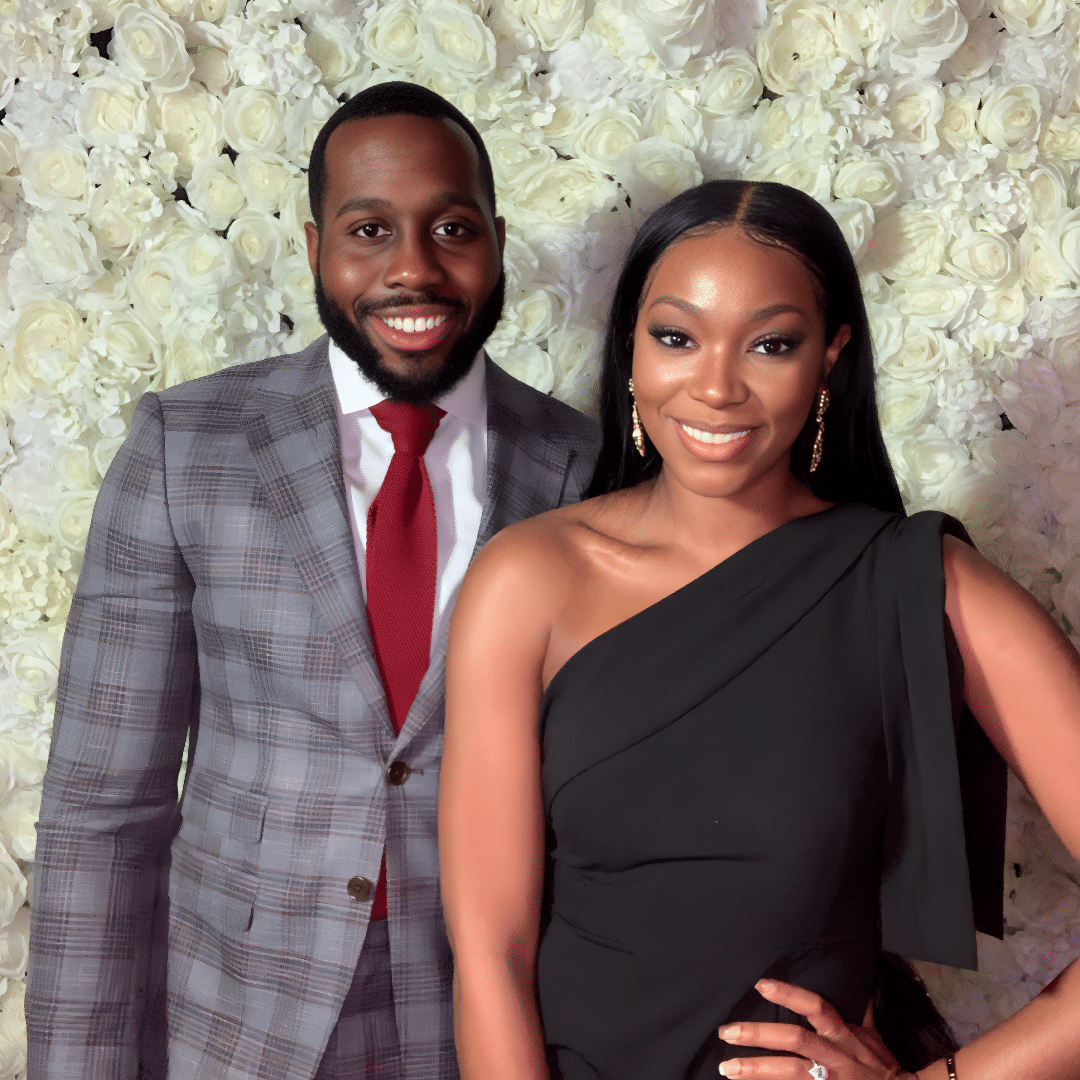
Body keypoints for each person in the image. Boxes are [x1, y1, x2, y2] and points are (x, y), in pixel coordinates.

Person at [439, 180, 1080, 1080]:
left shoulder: (920, 586)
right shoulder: (526, 579)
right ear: (630, 347)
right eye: (676, 337)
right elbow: (490, 955)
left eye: (771, 344)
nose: (715, 386)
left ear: (831, 358)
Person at [26, 82, 600, 1080]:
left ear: (498, 242)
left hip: (493, 1017)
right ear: (313, 248)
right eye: (370, 228)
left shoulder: (583, 465)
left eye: (451, 227)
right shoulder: (185, 447)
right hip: (240, 1011)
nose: (412, 267)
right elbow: (101, 813)